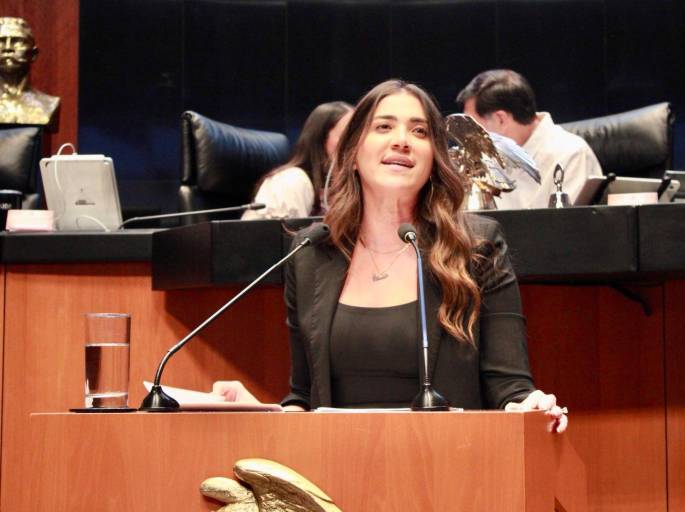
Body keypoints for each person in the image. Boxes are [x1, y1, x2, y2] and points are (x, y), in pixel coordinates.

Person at [217, 79, 567, 432]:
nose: (402, 140)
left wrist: (528, 404)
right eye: (383, 127)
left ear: (434, 159)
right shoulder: (312, 253)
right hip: (335, 458)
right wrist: (261, 413)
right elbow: (304, 396)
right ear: (353, 153)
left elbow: (509, 386)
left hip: (447, 454)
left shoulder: (476, 247)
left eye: (419, 131)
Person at [457, 69, 602, 209]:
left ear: (501, 119)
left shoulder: (571, 154)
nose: (469, 136)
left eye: (473, 126)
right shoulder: (485, 158)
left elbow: (566, 223)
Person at [242, 101, 353, 220]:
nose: (356, 143)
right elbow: (287, 232)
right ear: (321, 139)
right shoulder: (291, 180)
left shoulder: (349, 187)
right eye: (348, 135)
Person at [0, 17, 59, 125]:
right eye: (1, 42)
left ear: (33, 54)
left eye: (18, 41)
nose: (7, 48)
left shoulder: (49, 104)